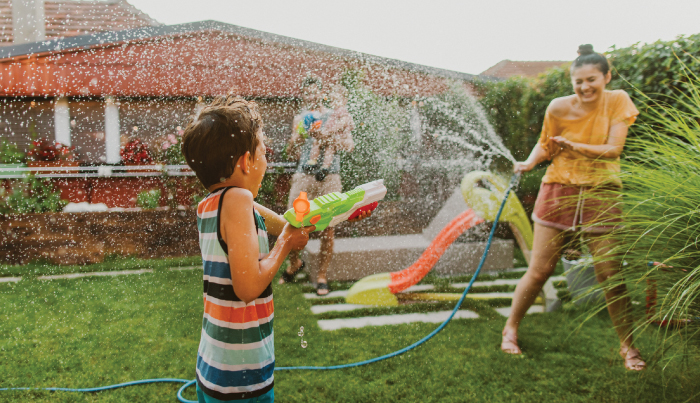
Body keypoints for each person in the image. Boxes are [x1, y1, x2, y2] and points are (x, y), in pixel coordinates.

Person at [501, 44, 646, 371]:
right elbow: (546, 143)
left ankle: (628, 346)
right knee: (540, 271)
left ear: (606, 77)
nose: (584, 87)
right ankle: (510, 328)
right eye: (578, 81)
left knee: (610, 275)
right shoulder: (558, 107)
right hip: (558, 189)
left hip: (601, 193)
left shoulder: (618, 101)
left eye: (592, 79)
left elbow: (613, 150)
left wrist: (573, 145)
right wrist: (528, 162)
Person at [182, 95, 314, 402]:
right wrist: (285, 246)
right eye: (263, 152)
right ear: (246, 161)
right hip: (240, 378)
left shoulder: (212, 204)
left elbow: (283, 225)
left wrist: (331, 215)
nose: (266, 160)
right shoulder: (238, 201)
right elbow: (248, 287)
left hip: (215, 364)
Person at [280, 78, 356, 296]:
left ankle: (322, 275)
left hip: (330, 176)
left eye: (314, 93)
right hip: (304, 174)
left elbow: (349, 146)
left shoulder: (336, 115)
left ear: (322, 93)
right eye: (307, 94)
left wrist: (327, 136)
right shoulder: (300, 118)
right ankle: (294, 264)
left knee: (328, 227)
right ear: (303, 96)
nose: (311, 97)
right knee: (292, 222)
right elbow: (292, 151)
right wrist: (297, 139)